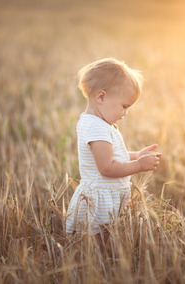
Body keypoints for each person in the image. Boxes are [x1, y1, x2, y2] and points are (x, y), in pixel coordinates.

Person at [66, 58, 161, 251]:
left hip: (106, 195)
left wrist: (135, 156)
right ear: (101, 97)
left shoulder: (95, 123)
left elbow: (112, 154)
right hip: (99, 200)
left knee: (104, 245)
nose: (125, 113)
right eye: (124, 106)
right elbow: (107, 167)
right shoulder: (97, 127)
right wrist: (139, 166)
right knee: (99, 248)